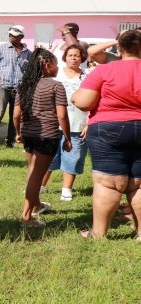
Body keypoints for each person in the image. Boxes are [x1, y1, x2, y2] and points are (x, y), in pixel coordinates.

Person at [71, 30, 141, 239]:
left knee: (107, 182)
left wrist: (76, 96)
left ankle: (99, 234)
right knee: (138, 182)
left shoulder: (106, 70)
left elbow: (83, 102)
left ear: (119, 48)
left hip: (108, 128)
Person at [12, 49, 71, 230]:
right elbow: (62, 115)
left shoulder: (25, 86)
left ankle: (36, 205)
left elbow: (16, 114)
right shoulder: (55, 86)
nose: (58, 66)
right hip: (47, 135)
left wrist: (18, 132)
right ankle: (26, 216)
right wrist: (68, 138)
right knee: (37, 175)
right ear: (46, 65)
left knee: (32, 172)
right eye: (55, 62)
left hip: (29, 134)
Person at [41, 44, 89, 201]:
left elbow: (93, 99)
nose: (74, 58)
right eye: (70, 55)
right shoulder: (55, 74)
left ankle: (66, 189)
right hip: (53, 123)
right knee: (48, 155)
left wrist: (89, 122)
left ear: (82, 58)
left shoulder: (87, 76)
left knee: (73, 156)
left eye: (77, 55)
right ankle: (41, 186)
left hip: (77, 123)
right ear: (65, 57)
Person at [0, 24, 31, 151]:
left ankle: (10, 140)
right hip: (4, 87)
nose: (11, 37)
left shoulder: (27, 53)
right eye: (10, 35)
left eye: (15, 36)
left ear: (21, 37)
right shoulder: (1, 48)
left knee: (15, 116)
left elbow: (31, 71)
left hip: (19, 89)